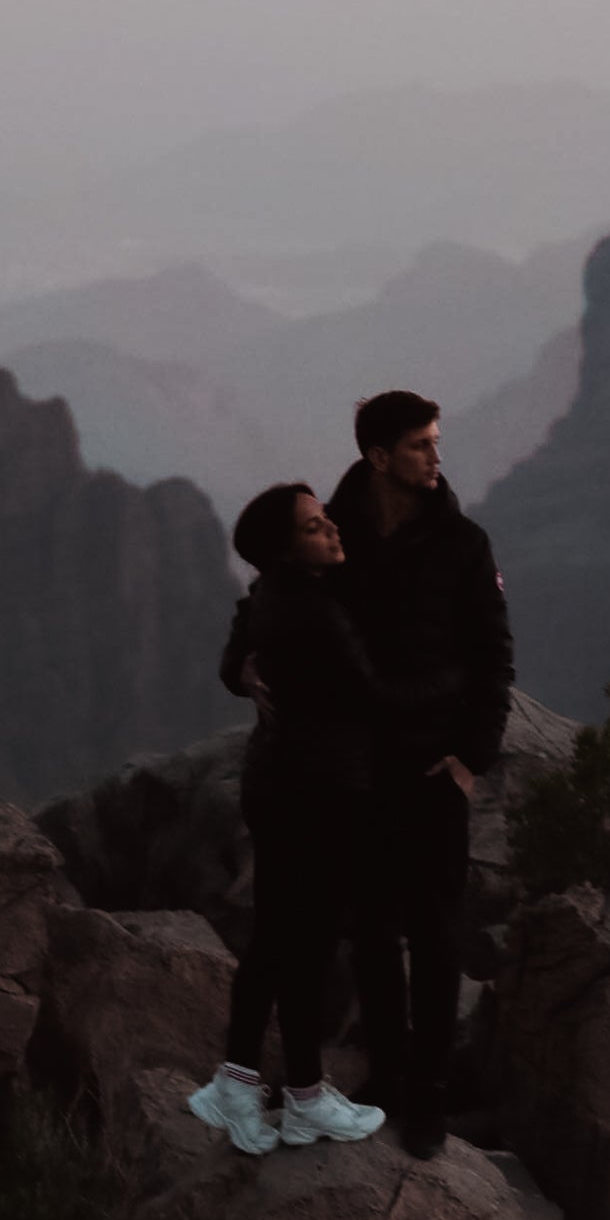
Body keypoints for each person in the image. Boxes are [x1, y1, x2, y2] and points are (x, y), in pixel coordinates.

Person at [189, 482, 406, 1154]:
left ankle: (242, 1083)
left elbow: (237, 657)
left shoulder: (275, 597)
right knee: (302, 945)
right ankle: (300, 1095)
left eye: (326, 519)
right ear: (287, 550)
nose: (331, 530)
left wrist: (242, 674)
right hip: (312, 791)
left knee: (280, 941)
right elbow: (376, 693)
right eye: (314, 526)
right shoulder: (312, 609)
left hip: (284, 783)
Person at [325, 391, 514, 1159]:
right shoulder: (329, 534)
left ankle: (429, 1097)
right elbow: (274, 606)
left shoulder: (464, 544)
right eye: (419, 446)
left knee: (435, 938)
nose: (436, 458)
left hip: (432, 764)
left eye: (435, 443)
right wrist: (246, 666)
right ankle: (388, 1077)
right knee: (370, 929)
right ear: (378, 457)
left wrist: (472, 756)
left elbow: (493, 657)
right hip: (358, 766)